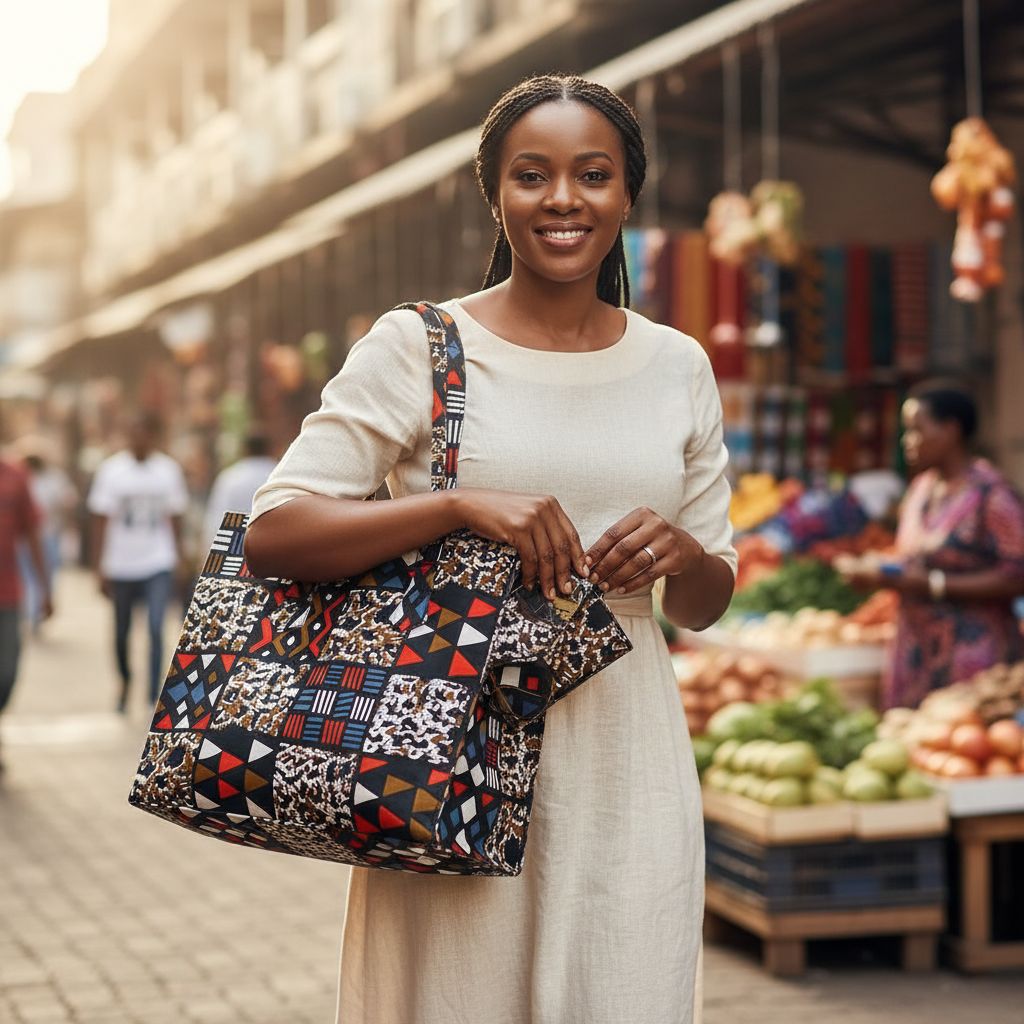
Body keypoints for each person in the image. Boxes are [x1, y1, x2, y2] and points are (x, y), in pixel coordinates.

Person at [245, 75, 736, 1024]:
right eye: (532, 175)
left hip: (627, 757)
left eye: (592, 175)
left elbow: (707, 601)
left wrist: (684, 553)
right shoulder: (419, 348)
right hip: (445, 743)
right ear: (496, 193)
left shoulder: (679, 365)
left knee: (626, 987)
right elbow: (277, 532)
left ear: (627, 193)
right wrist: (457, 507)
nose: (563, 200)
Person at [850, 382, 1024, 708]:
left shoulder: (991, 494)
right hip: (915, 648)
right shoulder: (921, 488)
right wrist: (878, 573)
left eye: (916, 430)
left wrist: (935, 585)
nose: (907, 441)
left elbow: (1017, 574)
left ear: (950, 430)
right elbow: (914, 556)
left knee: (959, 746)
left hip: (973, 657)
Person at [88, 413, 189, 713]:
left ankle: (151, 694)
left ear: (154, 437)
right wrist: (99, 566)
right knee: (121, 631)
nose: (139, 440)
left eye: (145, 433)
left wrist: (180, 557)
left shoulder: (168, 470)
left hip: (158, 559)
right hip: (121, 562)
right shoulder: (112, 471)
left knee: (157, 626)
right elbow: (100, 521)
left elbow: (176, 516)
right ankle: (125, 681)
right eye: (134, 433)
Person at [0, 456, 53, 771]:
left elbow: (32, 534)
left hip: (7, 594)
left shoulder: (14, 477)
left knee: (6, 671)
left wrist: (46, 589)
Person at [18, 450, 76, 630]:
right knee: (32, 575)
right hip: (33, 536)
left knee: (35, 575)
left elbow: (68, 502)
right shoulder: (25, 479)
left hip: (45, 534)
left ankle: (34, 610)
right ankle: (33, 611)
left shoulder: (52, 478)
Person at [201, 430, 276, 549]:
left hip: (236, 547)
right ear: (269, 449)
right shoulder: (278, 476)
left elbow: (216, 519)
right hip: (271, 546)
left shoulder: (229, 477)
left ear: (245, 449)